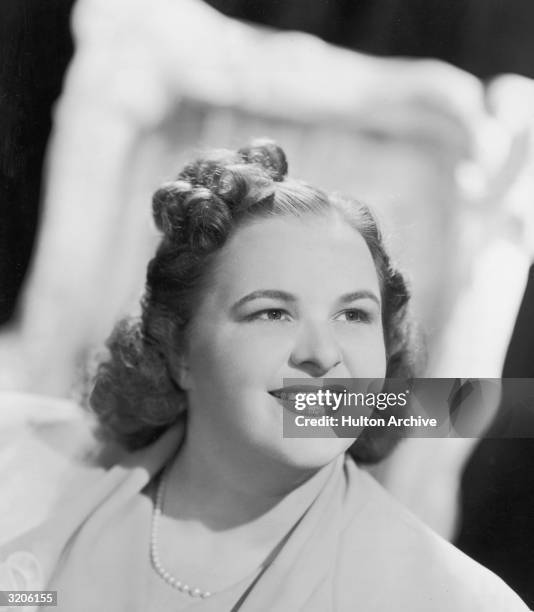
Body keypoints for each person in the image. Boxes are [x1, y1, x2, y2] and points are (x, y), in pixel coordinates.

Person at [0, 141, 527, 611]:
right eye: (272, 312)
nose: (323, 355)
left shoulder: (454, 601)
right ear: (178, 345)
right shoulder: (19, 464)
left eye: (354, 315)